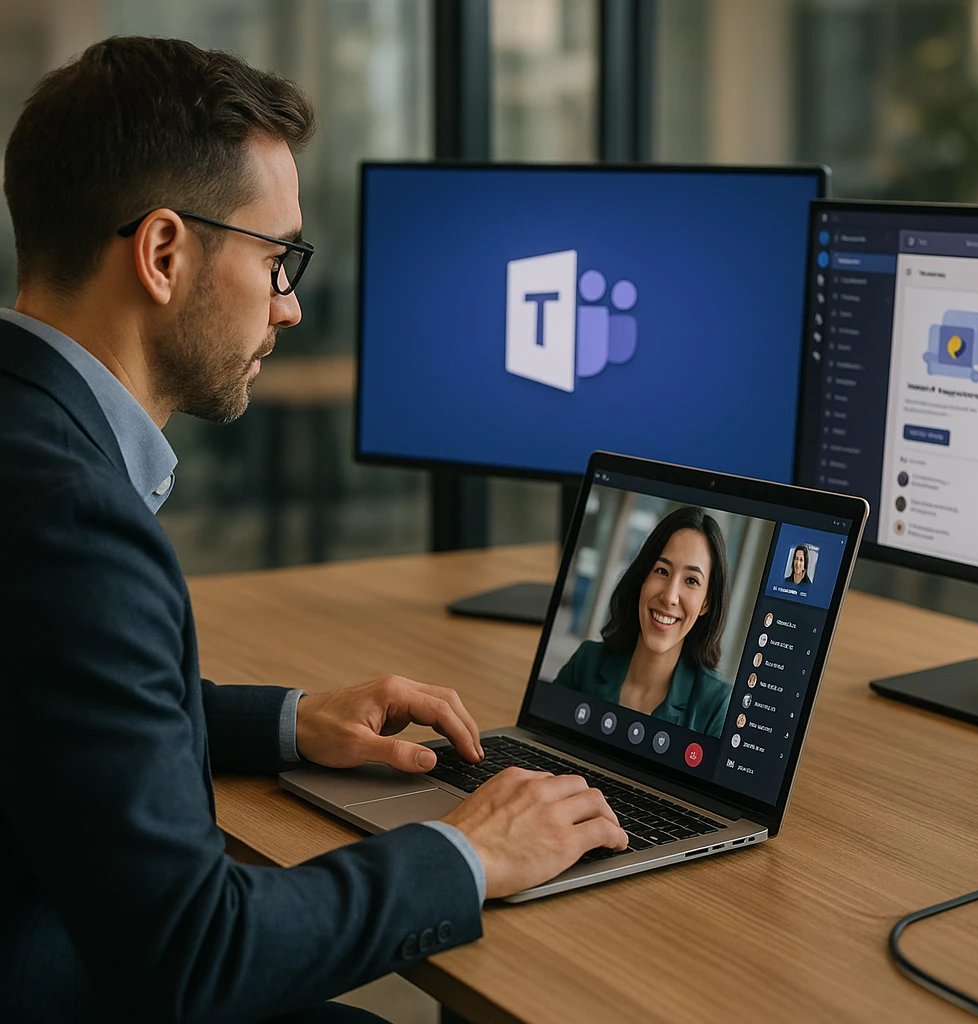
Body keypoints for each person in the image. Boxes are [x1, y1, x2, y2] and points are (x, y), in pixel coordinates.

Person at [0, 38, 627, 1024]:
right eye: (275, 256)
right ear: (164, 253)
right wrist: (469, 850)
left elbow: (53, 702)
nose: (290, 306)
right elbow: (194, 959)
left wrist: (290, 722)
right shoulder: (73, 519)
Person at [553, 506, 732, 738]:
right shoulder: (587, 662)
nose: (669, 596)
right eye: (662, 571)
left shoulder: (716, 704)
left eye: (691, 580)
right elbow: (540, 736)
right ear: (642, 578)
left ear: (706, 603)